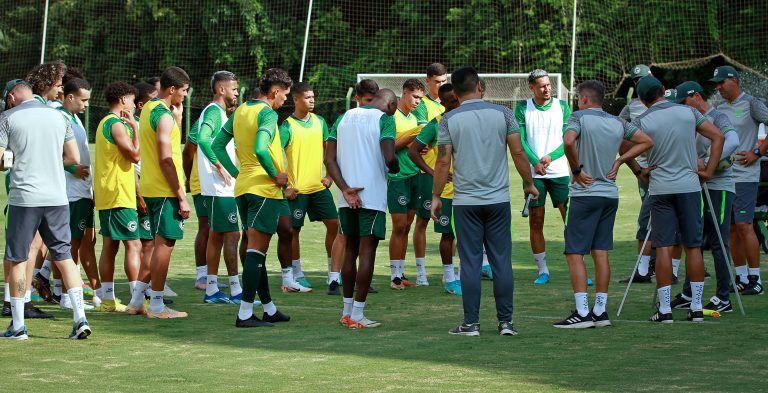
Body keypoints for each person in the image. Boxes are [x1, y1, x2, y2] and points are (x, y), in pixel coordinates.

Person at [432, 67, 538, 337]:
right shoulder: (504, 113)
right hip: (498, 200)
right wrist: (529, 183)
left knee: (469, 262)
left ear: (454, 92)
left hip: (465, 202)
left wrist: (435, 196)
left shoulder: (448, 119)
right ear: (480, 86)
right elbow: (517, 151)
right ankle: (505, 322)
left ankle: (471, 323)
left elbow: (443, 160)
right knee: (501, 261)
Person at [555, 80, 653, 328]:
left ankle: (582, 313)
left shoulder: (578, 118)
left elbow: (568, 142)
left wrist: (576, 169)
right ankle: (600, 311)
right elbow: (645, 141)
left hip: (584, 193)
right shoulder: (616, 122)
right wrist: (622, 162)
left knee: (574, 252)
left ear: (585, 99)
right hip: (609, 194)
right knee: (601, 252)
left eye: (579, 98)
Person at [626, 76, 724, 323]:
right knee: (693, 247)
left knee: (665, 248)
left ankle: (666, 309)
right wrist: (709, 171)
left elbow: (623, 144)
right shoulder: (688, 112)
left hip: (660, 188)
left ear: (641, 100)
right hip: (690, 186)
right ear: (663, 90)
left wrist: (639, 171)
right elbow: (718, 137)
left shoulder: (641, 120)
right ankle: (697, 307)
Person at [0, 79, 90, 340]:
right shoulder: (59, 117)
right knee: (63, 255)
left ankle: (18, 326)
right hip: (57, 197)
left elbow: (2, 159)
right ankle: (80, 319)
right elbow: (73, 157)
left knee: (18, 258)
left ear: (14, 97)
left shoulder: (7, 117)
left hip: (25, 198)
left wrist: (17, 160)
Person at [212, 68, 293, 328]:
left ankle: (268, 308)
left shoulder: (242, 110)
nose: (285, 101)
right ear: (275, 91)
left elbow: (216, 146)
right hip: (263, 189)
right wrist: (275, 175)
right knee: (257, 250)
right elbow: (260, 147)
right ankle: (245, 313)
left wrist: (238, 172)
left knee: (253, 249)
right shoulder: (268, 113)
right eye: (285, 95)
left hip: (245, 187)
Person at [325, 88, 400, 329]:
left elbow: (329, 159)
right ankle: (357, 315)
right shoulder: (385, 119)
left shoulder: (343, 117)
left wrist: (345, 189)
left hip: (346, 196)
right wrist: (396, 166)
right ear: (390, 105)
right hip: (372, 196)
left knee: (350, 251)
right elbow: (389, 157)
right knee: (367, 252)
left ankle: (346, 311)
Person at [125, 66, 191, 318]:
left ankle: (135, 302)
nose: (184, 96)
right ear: (172, 89)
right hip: (165, 190)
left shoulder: (149, 108)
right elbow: (166, 159)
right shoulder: (162, 115)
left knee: (153, 247)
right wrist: (181, 195)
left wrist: (179, 116)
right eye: (183, 91)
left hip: (152, 188)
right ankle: (157, 305)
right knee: (165, 246)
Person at [669, 81, 740, 312]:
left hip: (718, 186)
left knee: (718, 241)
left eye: (684, 102)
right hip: (696, 186)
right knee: (694, 240)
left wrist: (708, 161)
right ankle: (690, 293)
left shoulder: (717, 117)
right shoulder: (687, 119)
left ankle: (723, 297)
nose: (681, 107)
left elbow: (733, 141)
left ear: (696, 97)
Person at [712, 66, 768, 295]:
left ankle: (756, 279)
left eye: (721, 82)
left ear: (734, 80)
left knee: (745, 225)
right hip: (724, 176)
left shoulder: (752, 103)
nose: (717, 87)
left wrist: (757, 151)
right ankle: (741, 276)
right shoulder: (719, 108)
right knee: (731, 228)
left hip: (745, 176)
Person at [323, 79, 381, 295]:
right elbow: (329, 157)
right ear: (357, 98)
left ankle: (354, 282)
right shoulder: (345, 119)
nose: (370, 105)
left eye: (372, 100)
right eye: (367, 100)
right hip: (352, 189)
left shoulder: (370, 119)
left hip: (359, 190)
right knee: (346, 238)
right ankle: (334, 279)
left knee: (358, 241)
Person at [515, 69, 572, 285]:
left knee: (570, 220)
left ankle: (578, 267)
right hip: (534, 174)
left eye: (548, 85)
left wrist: (550, 157)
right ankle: (543, 270)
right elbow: (520, 140)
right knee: (536, 221)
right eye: (541, 85)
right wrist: (535, 162)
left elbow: (567, 139)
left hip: (559, 172)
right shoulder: (522, 108)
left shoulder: (562, 106)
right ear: (532, 87)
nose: (547, 89)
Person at [281, 82, 338, 291]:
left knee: (335, 225)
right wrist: (285, 186)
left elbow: (329, 152)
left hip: (319, 189)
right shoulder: (286, 126)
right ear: (295, 99)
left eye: (313, 97)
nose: (312, 100)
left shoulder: (320, 121)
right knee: (293, 232)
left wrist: (329, 175)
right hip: (297, 191)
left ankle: (334, 273)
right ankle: (297, 274)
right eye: (307, 97)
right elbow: (275, 156)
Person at [408, 83, 461, 295]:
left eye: (456, 99)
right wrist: (433, 173)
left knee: (466, 235)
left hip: (470, 189)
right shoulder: (436, 123)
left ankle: (463, 276)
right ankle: (449, 278)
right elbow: (414, 151)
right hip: (447, 191)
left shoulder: (467, 119)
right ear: (444, 102)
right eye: (450, 101)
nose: (454, 104)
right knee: (447, 234)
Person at [194, 71, 242, 304]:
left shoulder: (219, 113)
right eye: (234, 88)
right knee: (233, 235)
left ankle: (212, 289)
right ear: (221, 90)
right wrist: (219, 166)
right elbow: (203, 139)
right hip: (219, 188)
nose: (237, 92)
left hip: (217, 188)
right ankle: (235, 290)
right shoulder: (214, 111)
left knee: (216, 236)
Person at [94, 81, 142, 313]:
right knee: (134, 244)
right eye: (132, 100)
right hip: (117, 194)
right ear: (123, 99)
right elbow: (135, 156)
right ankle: (136, 299)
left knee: (111, 246)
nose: (134, 105)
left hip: (114, 193)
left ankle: (108, 299)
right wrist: (136, 129)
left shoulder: (106, 122)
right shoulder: (116, 124)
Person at [57, 77, 101, 311]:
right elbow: (53, 152)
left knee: (82, 241)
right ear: (70, 97)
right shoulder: (60, 118)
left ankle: (67, 291)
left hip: (82, 191)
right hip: (70, 193)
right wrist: (72, 168)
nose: (86, 105)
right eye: (83, 100)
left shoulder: (75, 119)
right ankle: (65, 296)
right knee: (71, 243)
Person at [410, 63, 448, 285]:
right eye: (437, 82)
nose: (441, 85)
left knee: (451, 225)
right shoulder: (423, 105)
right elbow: (424, 138)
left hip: (451, 174)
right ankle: (421, 271)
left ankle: (449, 272)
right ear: (428, 81)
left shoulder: (451, 101)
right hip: (428, 173)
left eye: (444, 81)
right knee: (422, 220)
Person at [388, 79, 424, 289]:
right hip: (398, 178)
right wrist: (414, 135)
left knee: (408, 226)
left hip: (414, 176)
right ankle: (394, 277)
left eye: (420, 98)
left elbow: (412, 147)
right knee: (399, 226)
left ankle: (400, 274)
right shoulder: (392, 117)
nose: (417, 101)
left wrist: (420, 148)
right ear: (404, 93)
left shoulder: (413, 118)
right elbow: (390, 146)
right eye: (414, 96)